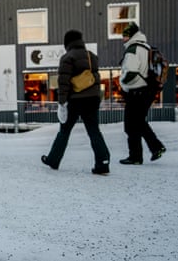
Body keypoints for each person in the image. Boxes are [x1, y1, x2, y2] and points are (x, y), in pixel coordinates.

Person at [41, 30, 110, 174]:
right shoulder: (92, 57)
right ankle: (103, 162)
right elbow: (96, 80)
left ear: (67, 43)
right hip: (92, 99)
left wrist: (61, 103)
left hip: (75, 100)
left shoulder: (67, 57)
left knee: (64, 131)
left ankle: (53, 160)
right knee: (94, 131)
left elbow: (63, 83)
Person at [118, 22, 166, 165]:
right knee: (138, 122)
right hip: (147, 90)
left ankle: (137, 156)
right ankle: (154, 148)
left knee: (130, 124)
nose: (123, 39)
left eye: (125, 35)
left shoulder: (133, 49)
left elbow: (131, 72)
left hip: (137, 91)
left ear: (131, 35)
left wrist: (123, 84)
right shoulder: (146, 47)